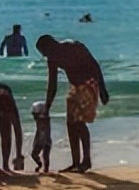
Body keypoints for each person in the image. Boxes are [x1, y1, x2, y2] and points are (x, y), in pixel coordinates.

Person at [36, 35, 109, 173]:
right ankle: (76, 162)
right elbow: (52, 84)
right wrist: (47, 106)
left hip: (89, 83)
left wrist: (102, 90)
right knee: (70, 123)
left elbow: (95, 65)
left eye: (45, 53)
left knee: (79, 122)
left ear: (52, 45)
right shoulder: (52, 58)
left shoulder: (74, 47)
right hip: (74, 86)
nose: (46, 56)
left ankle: (86, 160)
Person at [30, 101, 52, 174]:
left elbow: (45, 118)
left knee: (45, 155)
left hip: (46, 139)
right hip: (39, 138)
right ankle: (40, 165)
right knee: (34, 154)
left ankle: (46, 169)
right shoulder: (39, 119)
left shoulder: (43, 119)